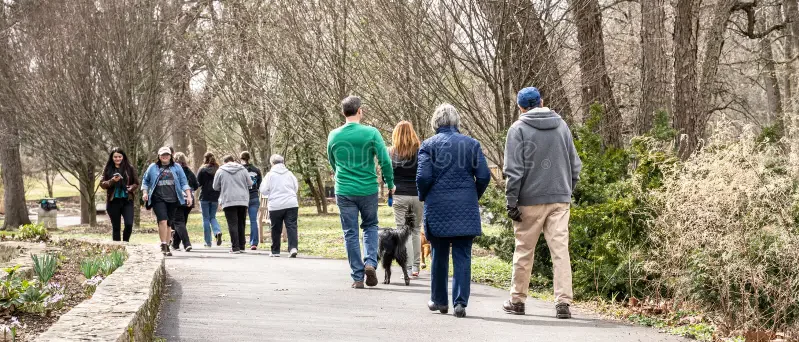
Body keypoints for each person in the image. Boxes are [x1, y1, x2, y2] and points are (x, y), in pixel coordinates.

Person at [501, 87, 582, 319]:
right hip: (560, 199)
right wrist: (567, 189)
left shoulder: (517, 129)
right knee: (560, 251)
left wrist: (511, 201)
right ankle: (563, 303)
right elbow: (575, 165)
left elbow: (514, 171)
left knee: (524, 251)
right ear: (542, 102)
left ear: (520, 107)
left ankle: (517, 301)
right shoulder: (561, 126)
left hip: (529, 201)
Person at [417, 104, 491, 318]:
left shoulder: (428, 145)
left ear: (436, 122)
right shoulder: (472, 144)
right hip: (465, 207)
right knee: (463, 255)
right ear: (457, 121)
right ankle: (460, 303)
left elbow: (423, 177)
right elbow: (484, 176)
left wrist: (424, 196)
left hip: (438, 206)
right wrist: (472, 195)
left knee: (438, 254)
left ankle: (439, 301)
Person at [327, 95, 395, 289]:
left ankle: (357, 277)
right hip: (367, 188)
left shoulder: (334, 135)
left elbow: (332, 161)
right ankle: (370, 264)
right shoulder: (371, 133)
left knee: (350, 232)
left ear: (343, 112)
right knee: (370, 226)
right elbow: (385, 161)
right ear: (360, 111)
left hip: (344, 189)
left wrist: (342, 173)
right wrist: (390, 183)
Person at [141, 147, 192, 256]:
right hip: (158, 198)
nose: (165, 156)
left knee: (169, 223)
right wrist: (145, 192)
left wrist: (189, 196)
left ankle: (167, 245)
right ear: (158, 156)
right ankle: (163, 244)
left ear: (170, 156)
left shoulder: (177, 167)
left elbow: (184, 182)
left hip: (173, 199)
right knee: (162, 221)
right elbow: (145, 180)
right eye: (162, 155)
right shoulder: (153, 167)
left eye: (167, 155)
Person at [389, 121, 423, 278]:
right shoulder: (421, 151)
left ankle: (408, 268)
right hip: (418, 195)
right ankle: (416, 267)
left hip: (400, 194)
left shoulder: (391, 152)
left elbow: (386, 174)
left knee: (403, 231)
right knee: (416, 229)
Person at [259, 154, 299, 258]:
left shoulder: (270, 175)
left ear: (272, 163)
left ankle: (275, 251)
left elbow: (263, 190)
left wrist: (271, 192)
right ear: (283, 162)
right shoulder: (290, 174)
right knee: (291, 226)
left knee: (276, 228)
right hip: (291, 203)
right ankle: (293, 248)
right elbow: (296, 188)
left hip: (276, 205)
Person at [213, 155, 251, 253]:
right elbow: (250, 183)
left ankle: (235, 247)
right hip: (243, 199)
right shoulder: (243, 169)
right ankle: (242, 246)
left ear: (224, 162)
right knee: (241, 223)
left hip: (228, 199)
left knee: (232, 223)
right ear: (234, 161)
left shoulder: (220, 171)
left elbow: (215, 187)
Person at [99, 147, 139, 242]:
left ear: (123, 157)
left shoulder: (129, 168)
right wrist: (112, 180)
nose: (117, 159)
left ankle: (125, 243)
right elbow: (102, 184)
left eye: (119, 156)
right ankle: (118, 248)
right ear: (112, 158)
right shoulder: (107, 168)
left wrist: (131, 188)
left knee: (129, 224)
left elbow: (136, 183)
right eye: (115, 157)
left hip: (127, 200)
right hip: (113, 201)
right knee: (116, 227)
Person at [170, 152, 199, 252]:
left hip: (178, 199)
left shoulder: (173, 170)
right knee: (182, 223)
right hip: (189, 199)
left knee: (178, 222)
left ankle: (187, 244)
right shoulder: (189, 171)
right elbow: (196, 185)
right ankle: (175, 245)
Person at [197, 152, 224, 247]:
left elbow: (198, 183)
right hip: (215, 197)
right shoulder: (218, 169)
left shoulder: (202, 170)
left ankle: (208, 242)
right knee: (212, 217)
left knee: (205, 218)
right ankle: (217, 231)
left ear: (205, 159)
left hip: (204, 196)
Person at [240, 151, 263, 250]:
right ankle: (254, 243)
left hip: (242, 198)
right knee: (254, 221)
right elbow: (259, 184)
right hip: (254, 196)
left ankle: (242, 242)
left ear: (241, 159)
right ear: (249, 158)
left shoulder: (240, 170)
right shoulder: (256, 170)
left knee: (241, 221)